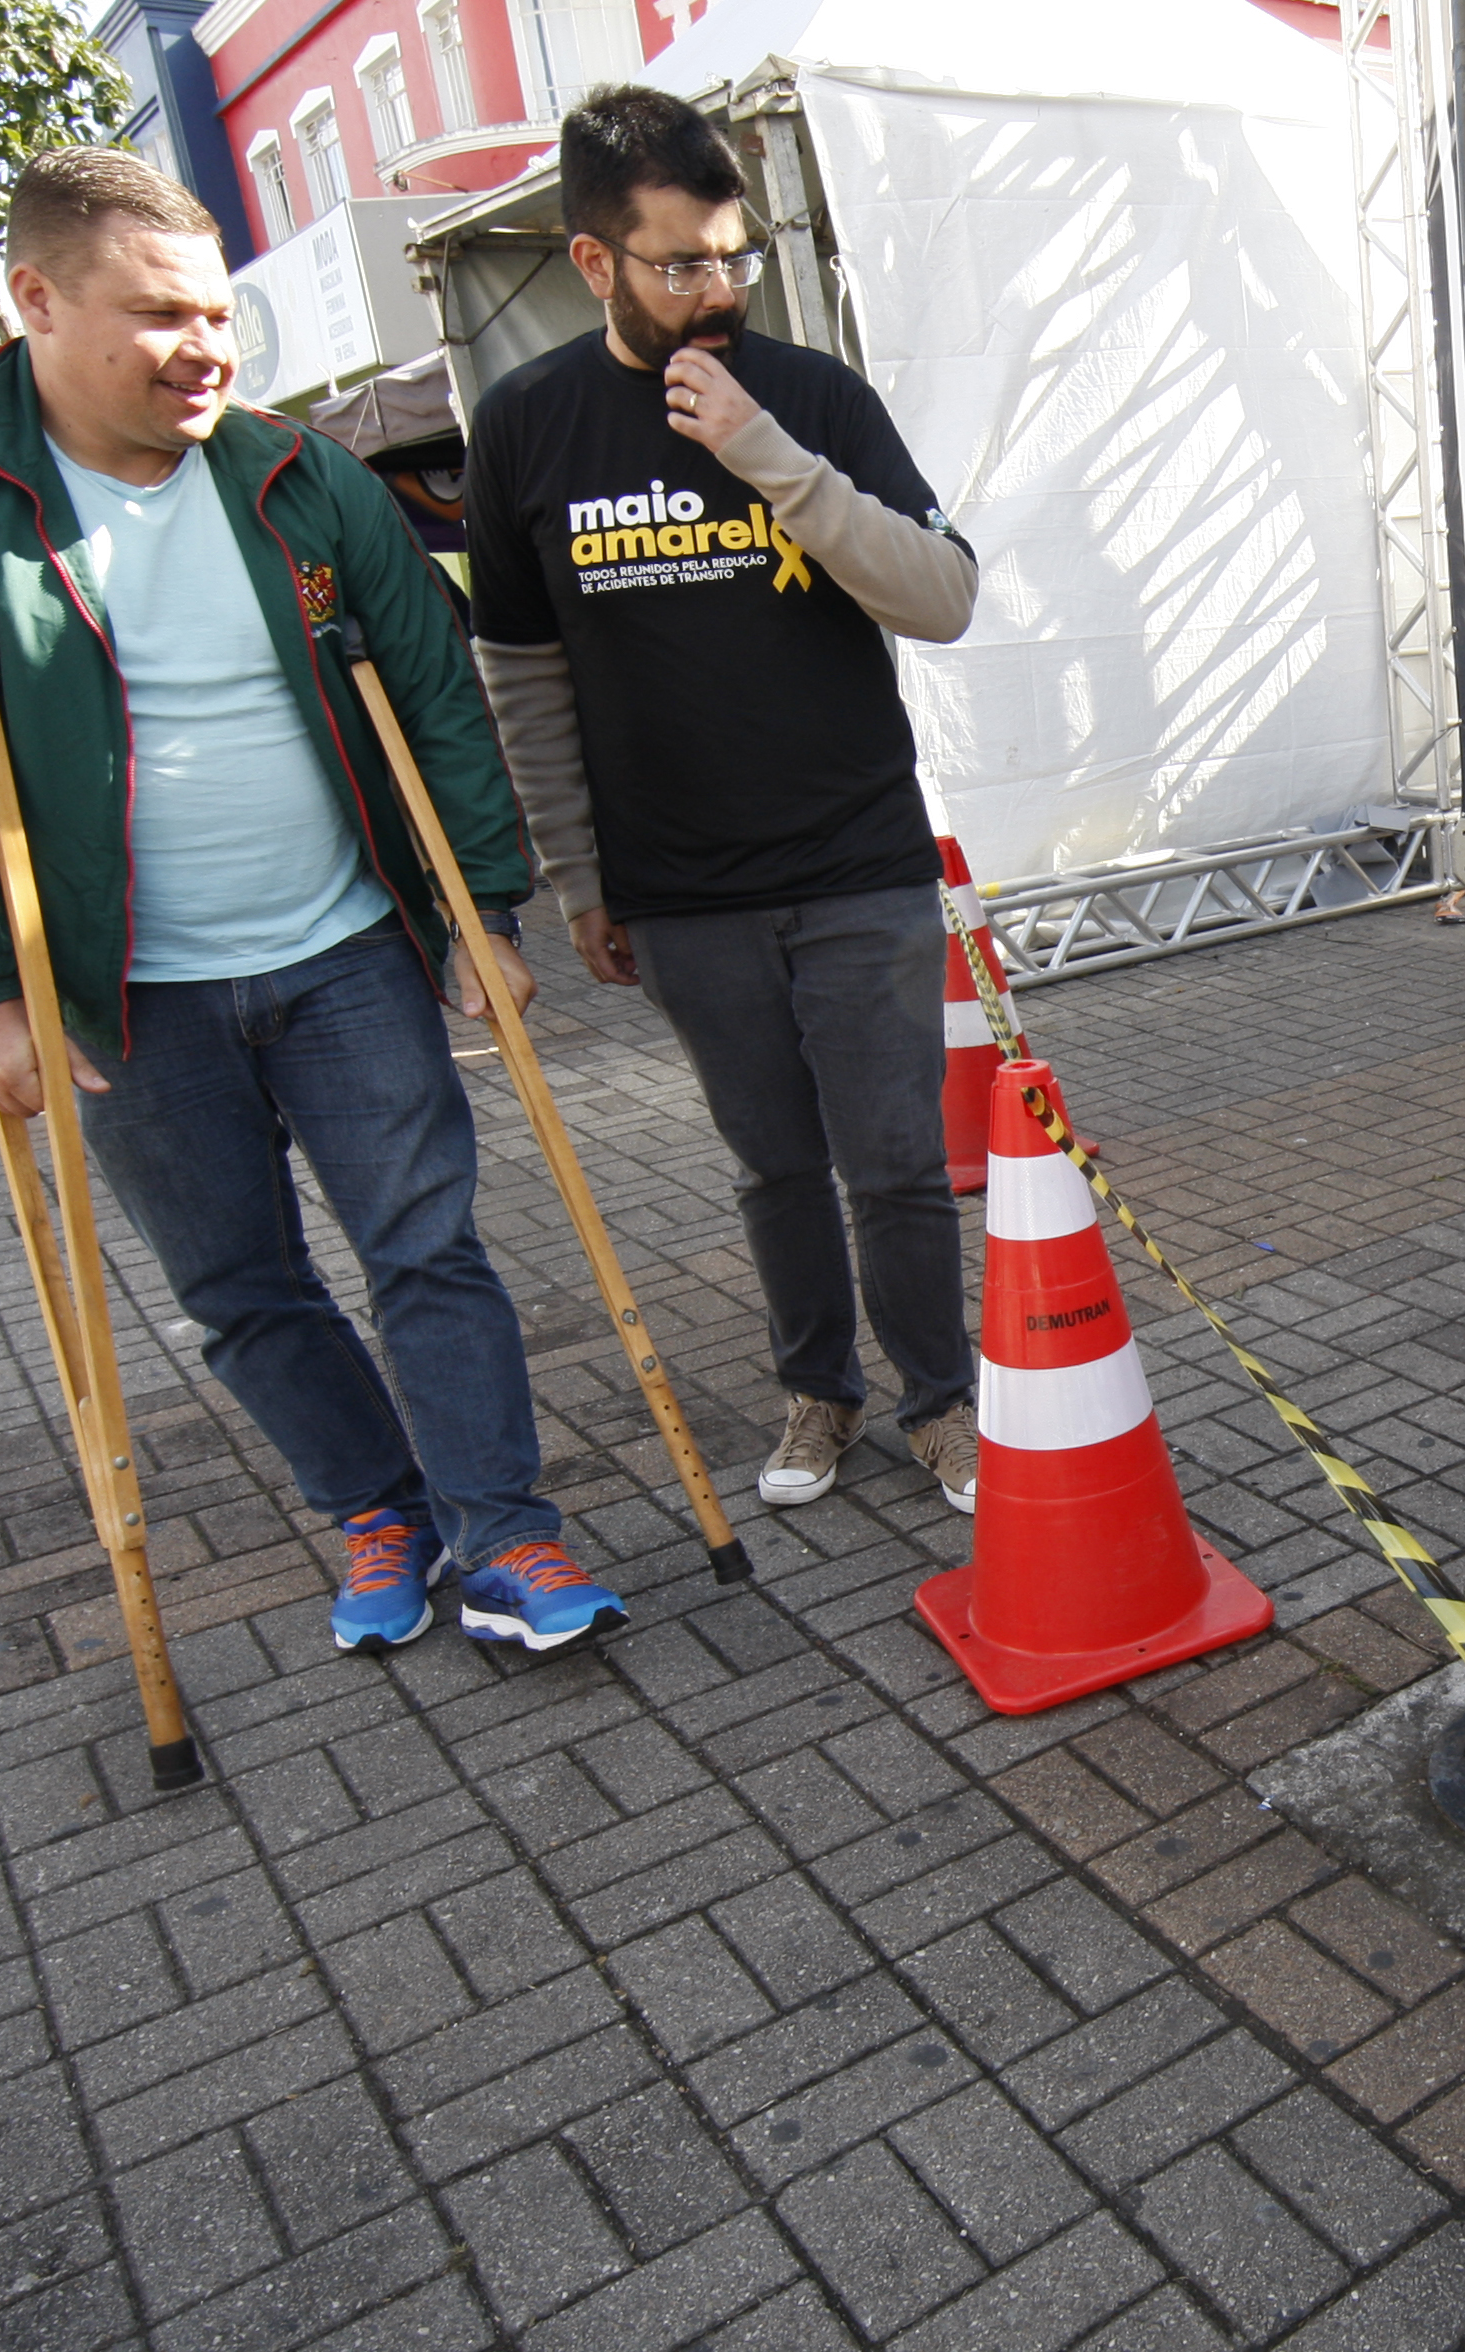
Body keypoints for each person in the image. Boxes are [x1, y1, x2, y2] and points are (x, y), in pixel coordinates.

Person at [0, 148, 619, 1656]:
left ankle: (506, 1533)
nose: (208, 351)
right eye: (160, 314)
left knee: (429, 1246)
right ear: (34, 299)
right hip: (120, 988)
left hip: (344, 949)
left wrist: (480, 909)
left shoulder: (293, 477)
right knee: (241, 1285)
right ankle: (381, 1503)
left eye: (220, 316)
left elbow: (433, 694)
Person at [465, 87, 984, 1517]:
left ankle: (942, 1403)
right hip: (680, 890)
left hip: (859, 863)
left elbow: (941, 596)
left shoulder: (809, 398)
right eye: (679, 263)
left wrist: (761, 451)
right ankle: (820, 1393)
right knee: (774, 1171)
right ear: (593, 262)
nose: (714, 290)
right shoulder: (525, 425)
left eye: (734, 257)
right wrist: (577, 876)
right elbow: (522, 675)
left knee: (896, 1166)